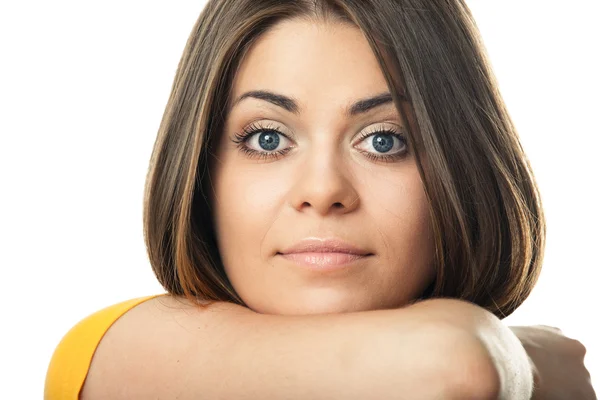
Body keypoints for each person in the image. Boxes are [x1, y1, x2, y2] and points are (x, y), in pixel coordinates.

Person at [44, 0, 596, 399]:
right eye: (267, 139)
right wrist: (531, 360)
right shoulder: (116, 355)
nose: (323, 191)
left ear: (462, 169)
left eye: (385, 141)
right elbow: (453, 364)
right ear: (200, 176)